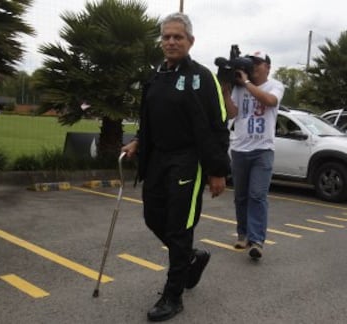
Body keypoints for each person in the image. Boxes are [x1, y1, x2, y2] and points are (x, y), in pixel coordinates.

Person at [121, 12, 229, 322]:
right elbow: (150, 118)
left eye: (177, 37)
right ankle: (192, 258)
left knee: (179, 228)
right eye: (166, 36)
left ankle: (173, 295)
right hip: (158, 158)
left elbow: (219, 125)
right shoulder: (156, 76)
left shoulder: (202, 78)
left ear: (190, 42)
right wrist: (139, 141)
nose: (170, 41)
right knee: (153, 216)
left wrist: (217, 170)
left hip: (188, 160)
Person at [222, 51, 285, 260]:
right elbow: (232, 114)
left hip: (263, 150)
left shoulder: (275, 85)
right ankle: (243, 234)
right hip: (240, 149)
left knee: (257, 195)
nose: (254, 66)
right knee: (240, 196)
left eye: (258, 63)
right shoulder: (239, 88)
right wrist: (225, 90)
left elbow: (270, 101)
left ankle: (256, 240)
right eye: (251, 63)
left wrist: (247, 82)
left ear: (268, 66)